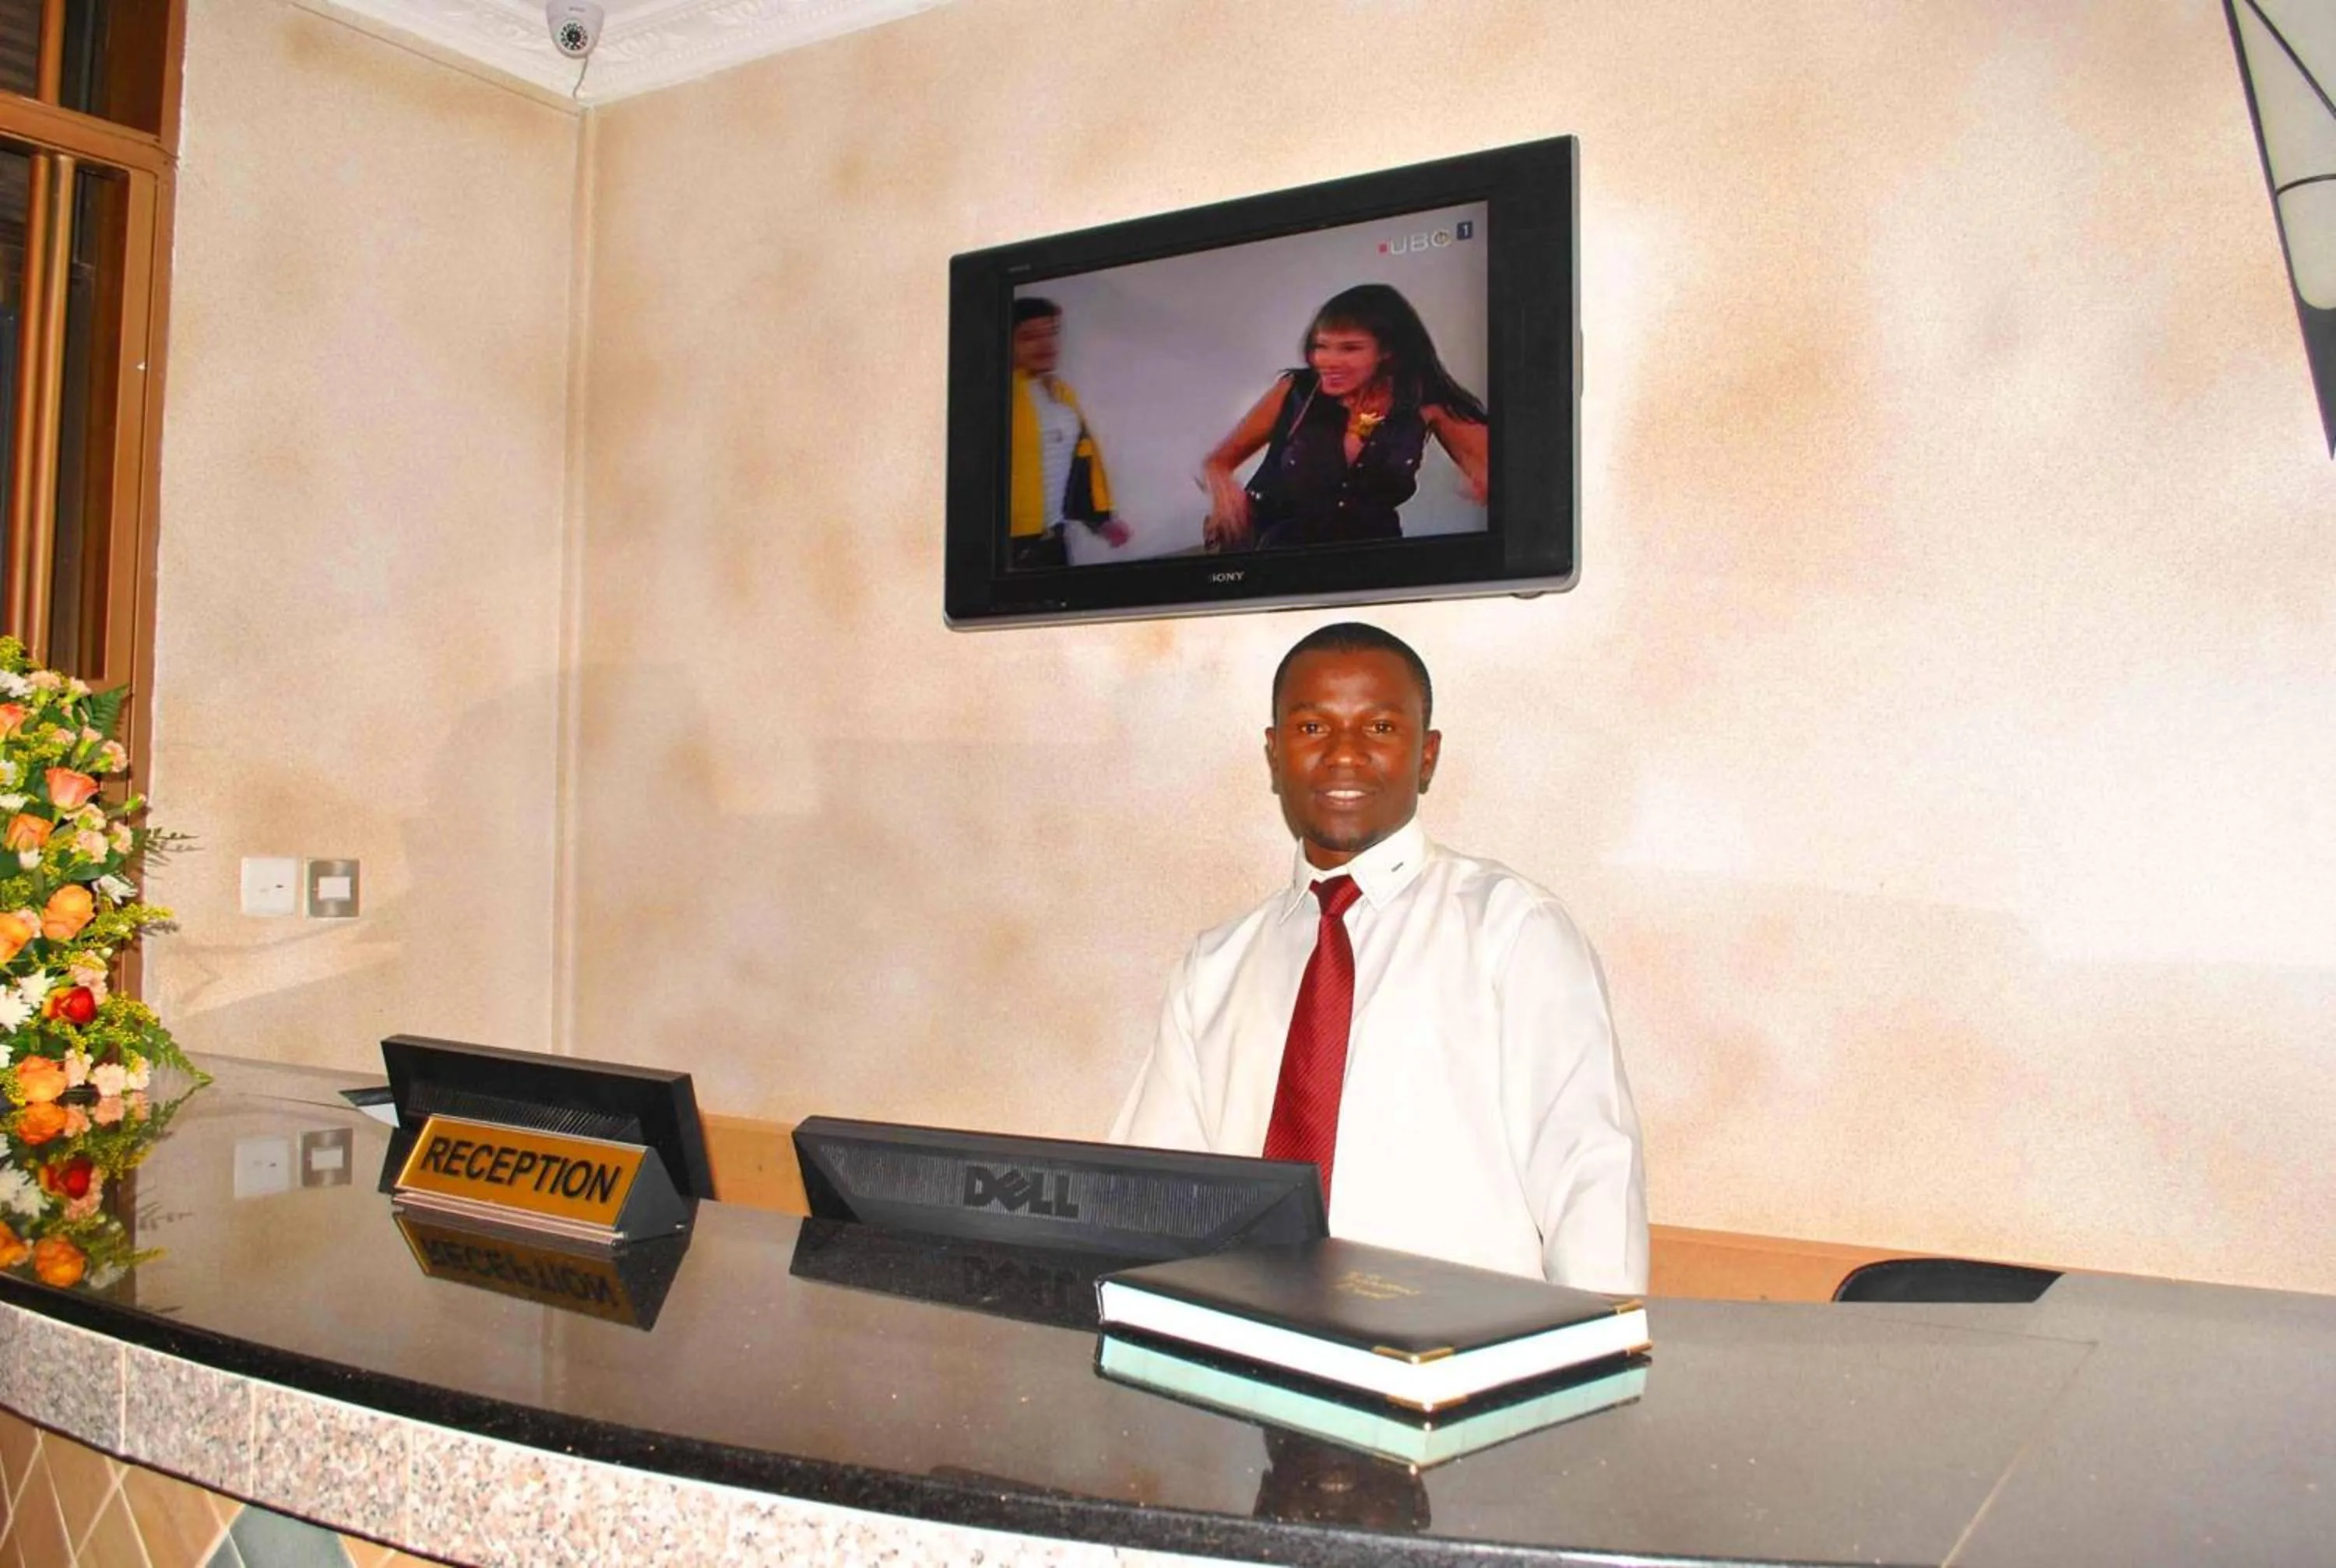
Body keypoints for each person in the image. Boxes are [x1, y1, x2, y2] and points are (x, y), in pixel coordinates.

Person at [1110, 623, 1646, 1292]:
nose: (1343, 754)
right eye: (1311, 729)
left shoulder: (1513, 931)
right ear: (1274, 755)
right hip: (1247, 1357)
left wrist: (1599, 1371)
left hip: (1459, 1370)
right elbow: (1154, 1200)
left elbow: (1591, 1175)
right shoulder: (1213, 968)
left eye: (1381, 729)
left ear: (1427, 755)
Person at [1199, 285, 1490, 552]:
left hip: (1370, 564)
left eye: (1350, 348)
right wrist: (1225, 492)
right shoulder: (1296, 391)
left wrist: (1487, 486)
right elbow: (1218, 463)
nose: (1328, 361)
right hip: (1273, 556)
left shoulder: (1425, 402)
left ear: (1387, 351)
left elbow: (1503, 474)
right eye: (1321, 346)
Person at [1008, 297, 1132, 569]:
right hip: (1010, 549)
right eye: (1029, 337)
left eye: (1051, 333)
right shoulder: (999, 397)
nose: (1045, 344)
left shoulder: (1062, 394)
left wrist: (1101, 520)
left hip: (1053, 541)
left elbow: (1082, 461)